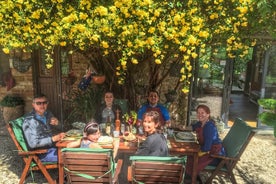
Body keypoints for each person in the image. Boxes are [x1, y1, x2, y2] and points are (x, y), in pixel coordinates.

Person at [185, 104, 225, 182]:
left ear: (208, 114)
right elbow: (193, 127)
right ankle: (191, 178)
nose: (200, 115)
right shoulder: (201, 123)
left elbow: (206, 148)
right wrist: (182, 128)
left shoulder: (209, 127)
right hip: (207, 151)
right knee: (187, 157)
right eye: (198, 113)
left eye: (202, 113)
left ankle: (191, 180)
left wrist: (194, 150)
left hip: (215, 156)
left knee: (190, 159)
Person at [22, 94, 66, 162]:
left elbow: (61, 128)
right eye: (38, 103)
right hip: (41, 153)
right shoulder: (30, 121)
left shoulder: (48, 114)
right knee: (70, 156)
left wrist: (58, 124)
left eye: (44, 103)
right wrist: (52, 139)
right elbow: (33, 143)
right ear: (33, 105)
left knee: (76, 150)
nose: (42, 106)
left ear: (47, 103)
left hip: (54, 146)